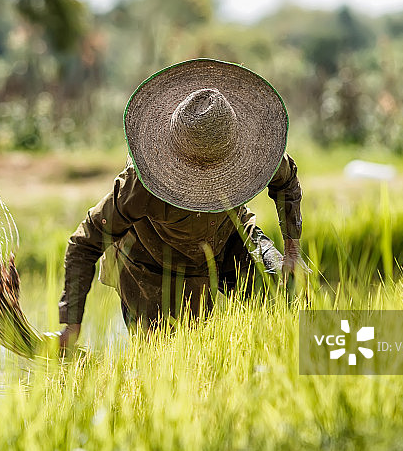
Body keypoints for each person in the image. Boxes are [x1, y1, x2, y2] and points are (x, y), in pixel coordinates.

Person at [58, 59, 306, 348]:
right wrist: (71, 325)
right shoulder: (141, 184)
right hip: (152, 264)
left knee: (290, 289)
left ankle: (294, 372)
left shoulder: (258, 154)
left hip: (228, 240)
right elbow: (85, 243)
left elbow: (287, 182)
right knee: (171, 361)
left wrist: (292, 250)